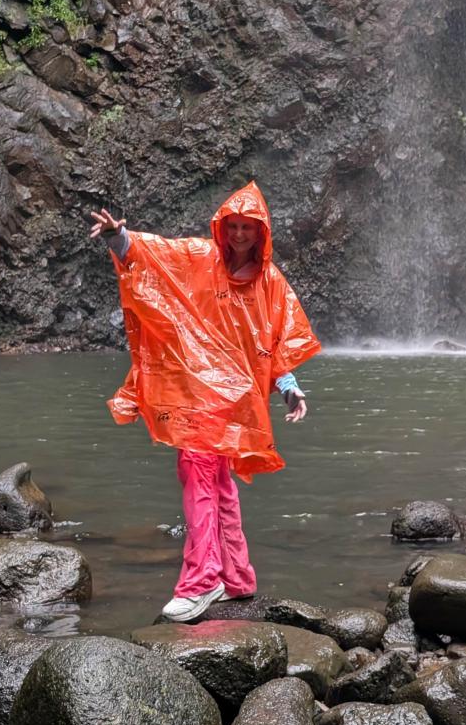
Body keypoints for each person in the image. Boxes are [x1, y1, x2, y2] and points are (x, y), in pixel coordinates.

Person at [90, 181, 321, 621]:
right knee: (208, 478)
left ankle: (206, 582)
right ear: (221, 226)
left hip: (236, 401)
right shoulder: (201, 258)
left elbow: (272, 337)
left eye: (246, 228)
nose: (238, 235)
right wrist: (120, 237)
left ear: (261, 232)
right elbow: (154, 257)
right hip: (196, 391)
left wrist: (289, 386)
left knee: (209, 481)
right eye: (231, 226)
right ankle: (234, 577)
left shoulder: (269, 280)